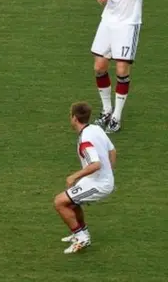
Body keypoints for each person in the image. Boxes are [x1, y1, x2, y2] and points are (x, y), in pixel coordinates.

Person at [91, 0, 151, 133]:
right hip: (108, 20)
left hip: (128, 23)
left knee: (121, 70)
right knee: (99, 66)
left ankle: (117, 115)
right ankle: (107, 110)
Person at [53, 102, 116, 254]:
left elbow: (95, 164)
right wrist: (110, 173)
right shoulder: (96, 128)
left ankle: (82, 238)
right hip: (98, 179)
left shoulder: (85, 140)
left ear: (74, 118)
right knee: (71, 203)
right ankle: (82, 233)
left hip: (99, 183)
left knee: (60, 202)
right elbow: (113, 151)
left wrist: (73, 176)